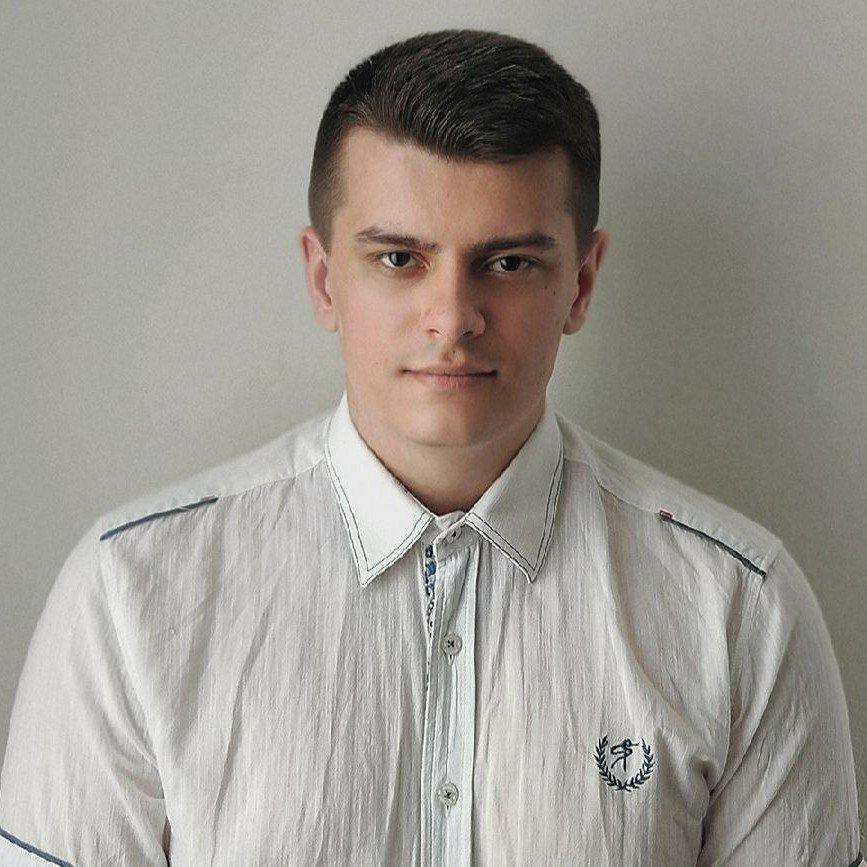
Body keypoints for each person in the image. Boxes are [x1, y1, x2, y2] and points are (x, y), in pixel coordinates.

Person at [0, 27, 862, 866]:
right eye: (398, 258)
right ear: (324, 278)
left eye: (509, 262)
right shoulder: (130, 597)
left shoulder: (740, 610)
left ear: (581, 282)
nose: (451, 318)